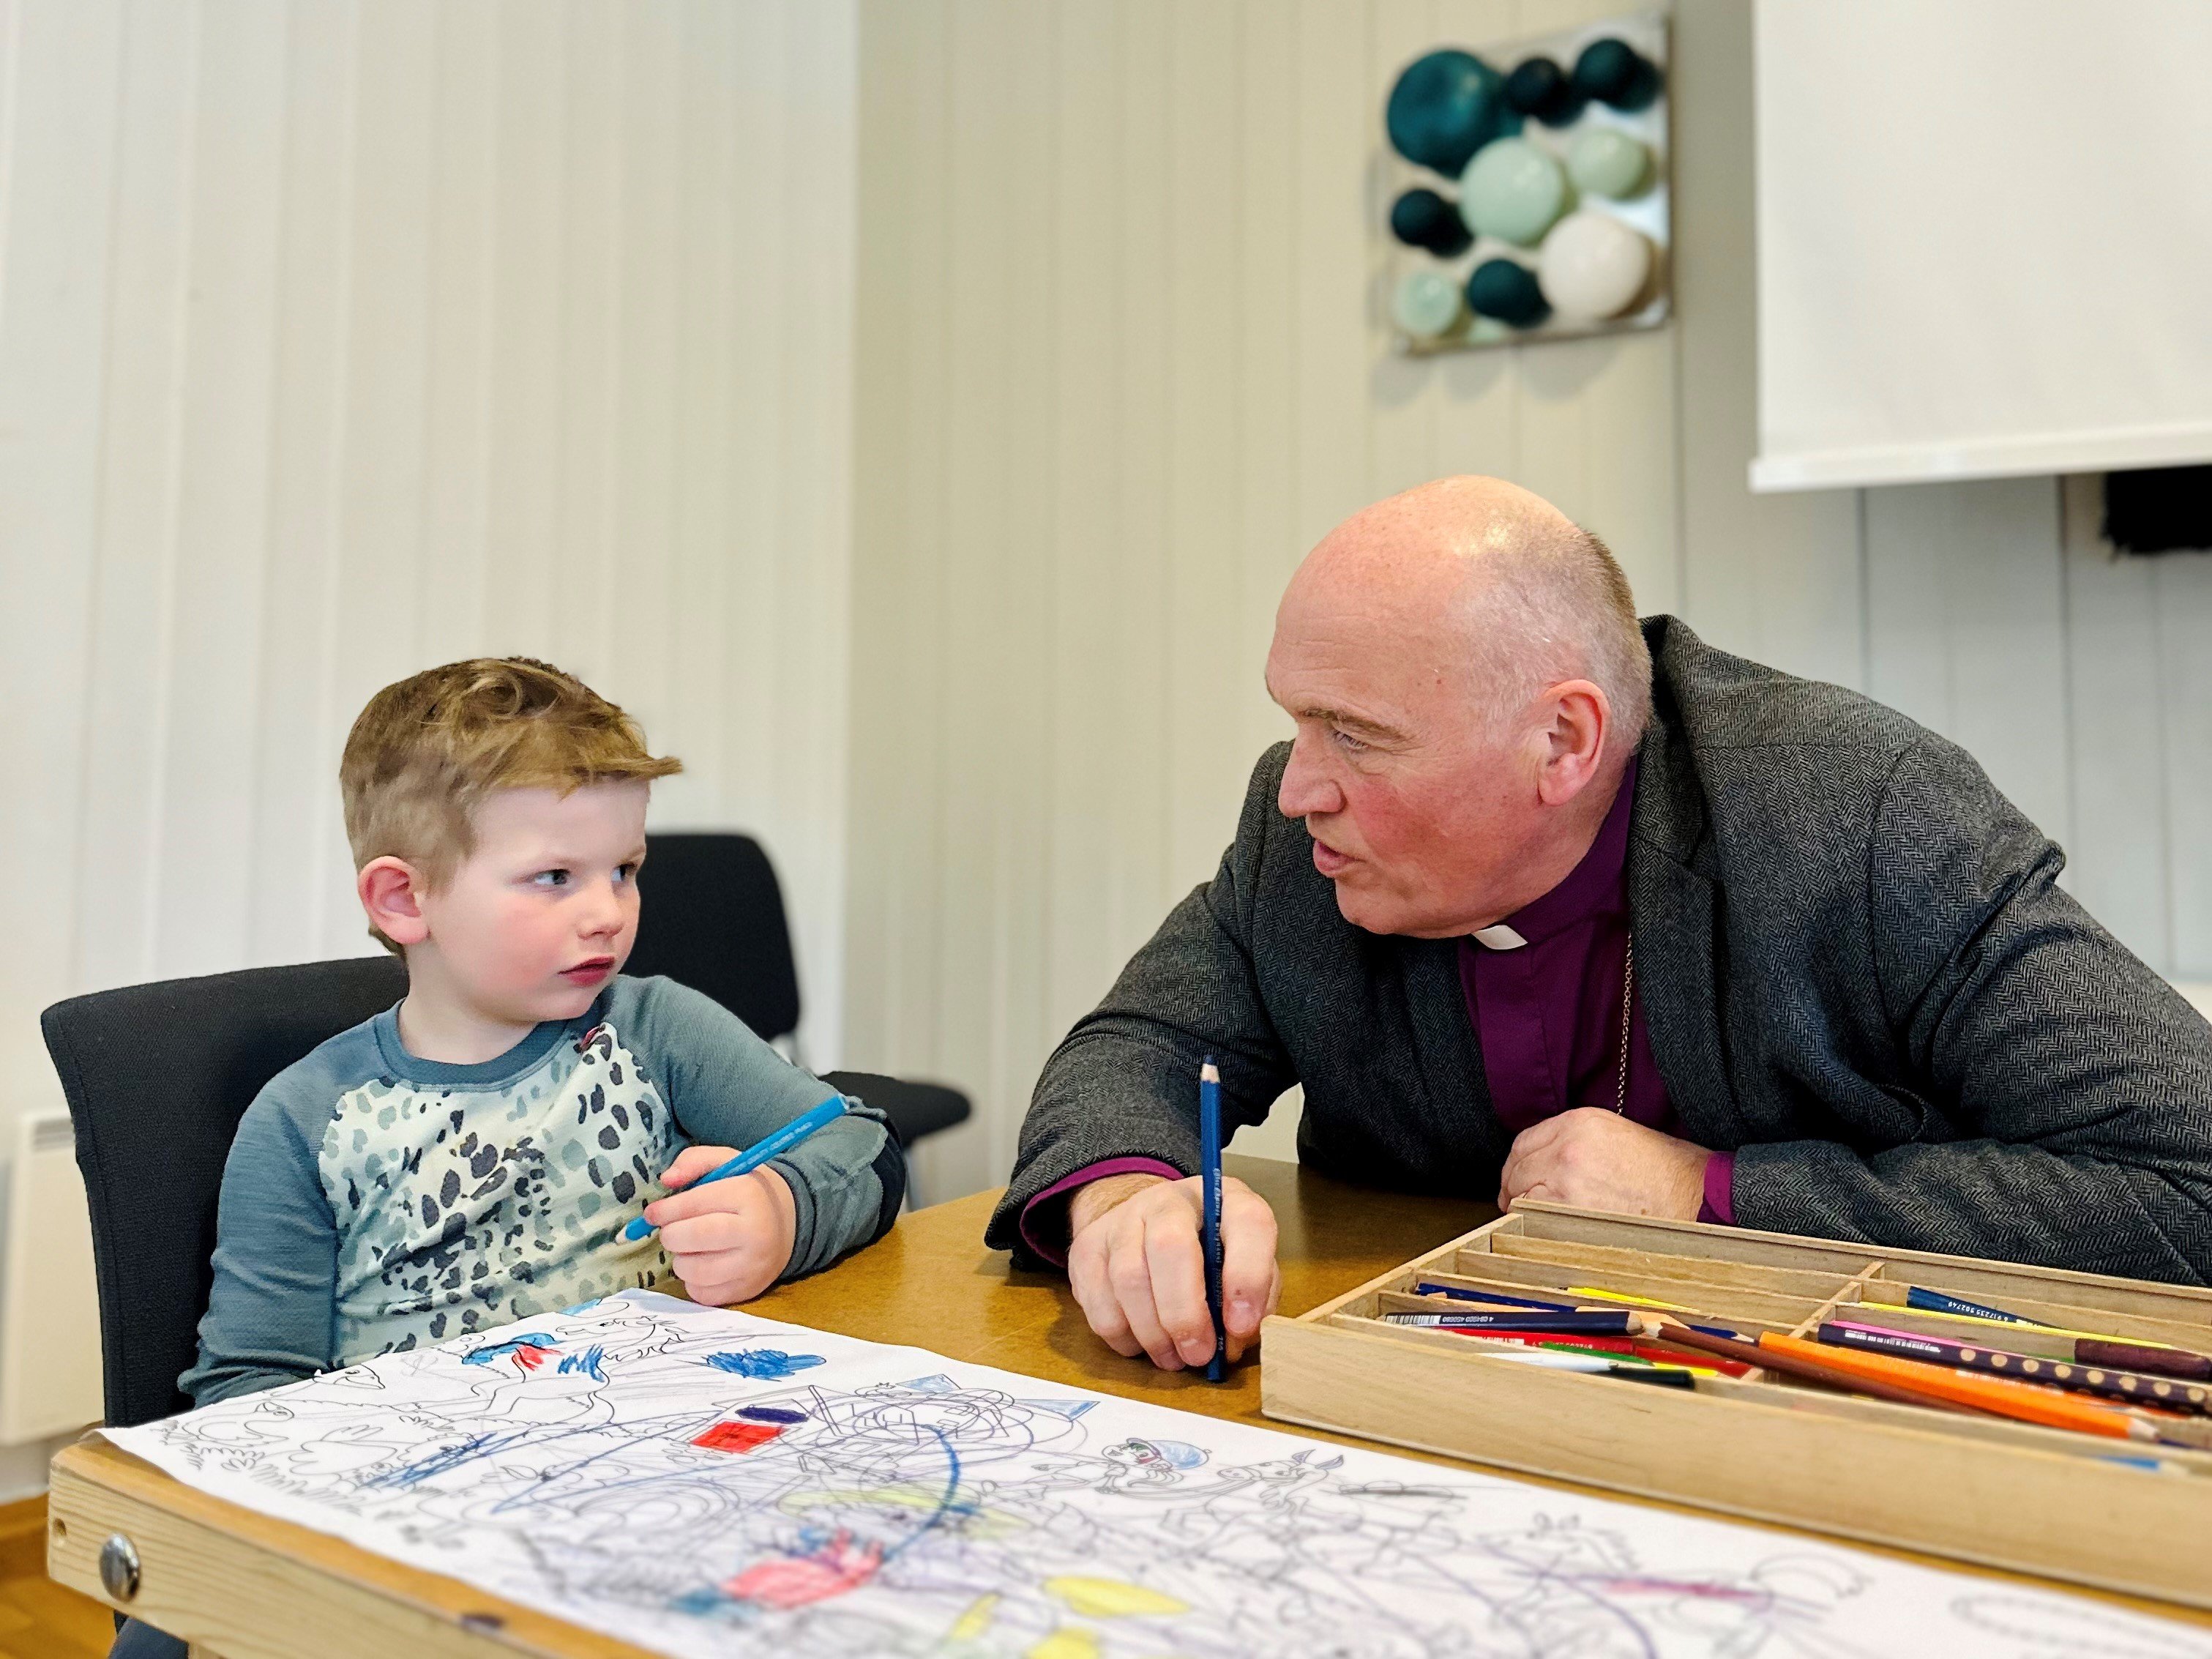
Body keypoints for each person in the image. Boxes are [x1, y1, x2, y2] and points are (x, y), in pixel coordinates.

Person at [985, 476, 2212, 1375]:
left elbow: (2186, 1178)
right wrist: (1129, 1198)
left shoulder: (1857, 812)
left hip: (1797, 1437)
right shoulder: (1301, 837)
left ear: (1562, 740)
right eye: (1298, 721)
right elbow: (1135, 1049)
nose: (1299, 782)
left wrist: (1713, 1195)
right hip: (1404, 1417)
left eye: (1354, 734)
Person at [184, 657, 904, 1403]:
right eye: (556, 877)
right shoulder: (305, 1121)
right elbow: (248, 1386)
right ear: (404, 898)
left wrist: (783, 1214)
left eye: (624, 869)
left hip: (657, 1436)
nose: (608, 912)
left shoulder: (652, 1028)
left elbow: (864, 1147)